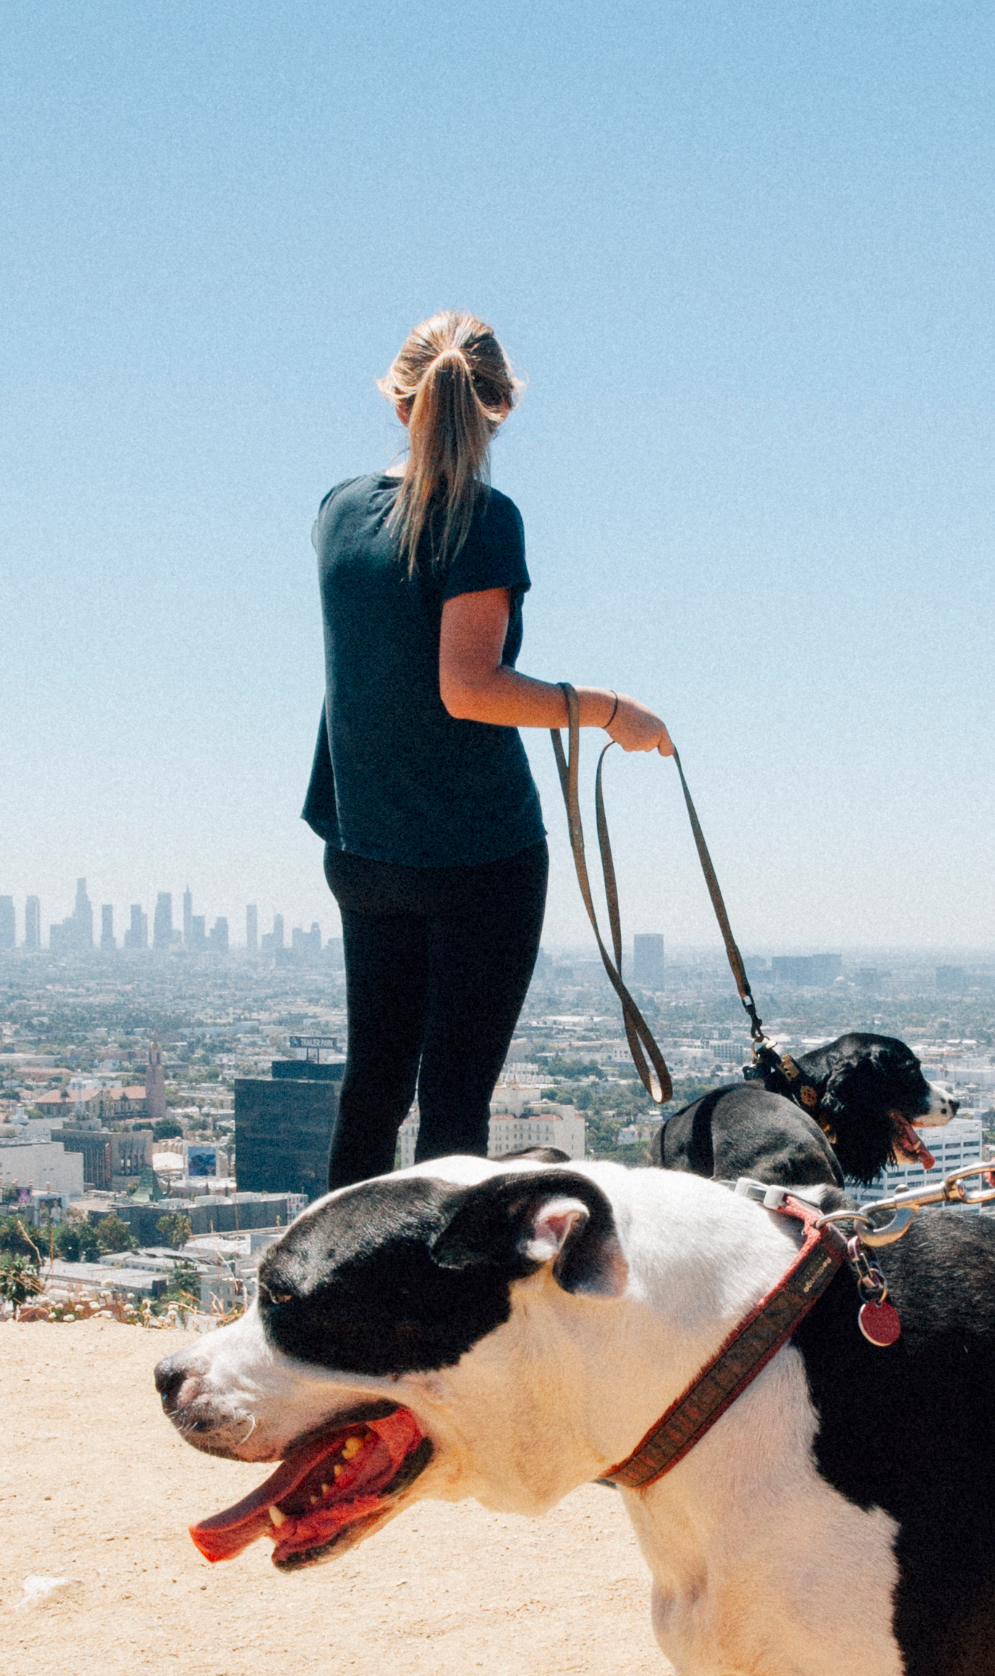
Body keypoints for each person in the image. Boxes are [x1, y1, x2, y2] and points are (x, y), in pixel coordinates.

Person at [307, 311, 669, 1190]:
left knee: (373, 1091)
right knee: (454, 1106)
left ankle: (333, 1310)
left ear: (399, 401)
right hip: (476, 850)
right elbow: (468, 688)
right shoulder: (482, 520)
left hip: (362, 844)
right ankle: (437, 1315)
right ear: (501, 407)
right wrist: (608, 711)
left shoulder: (338, 512)